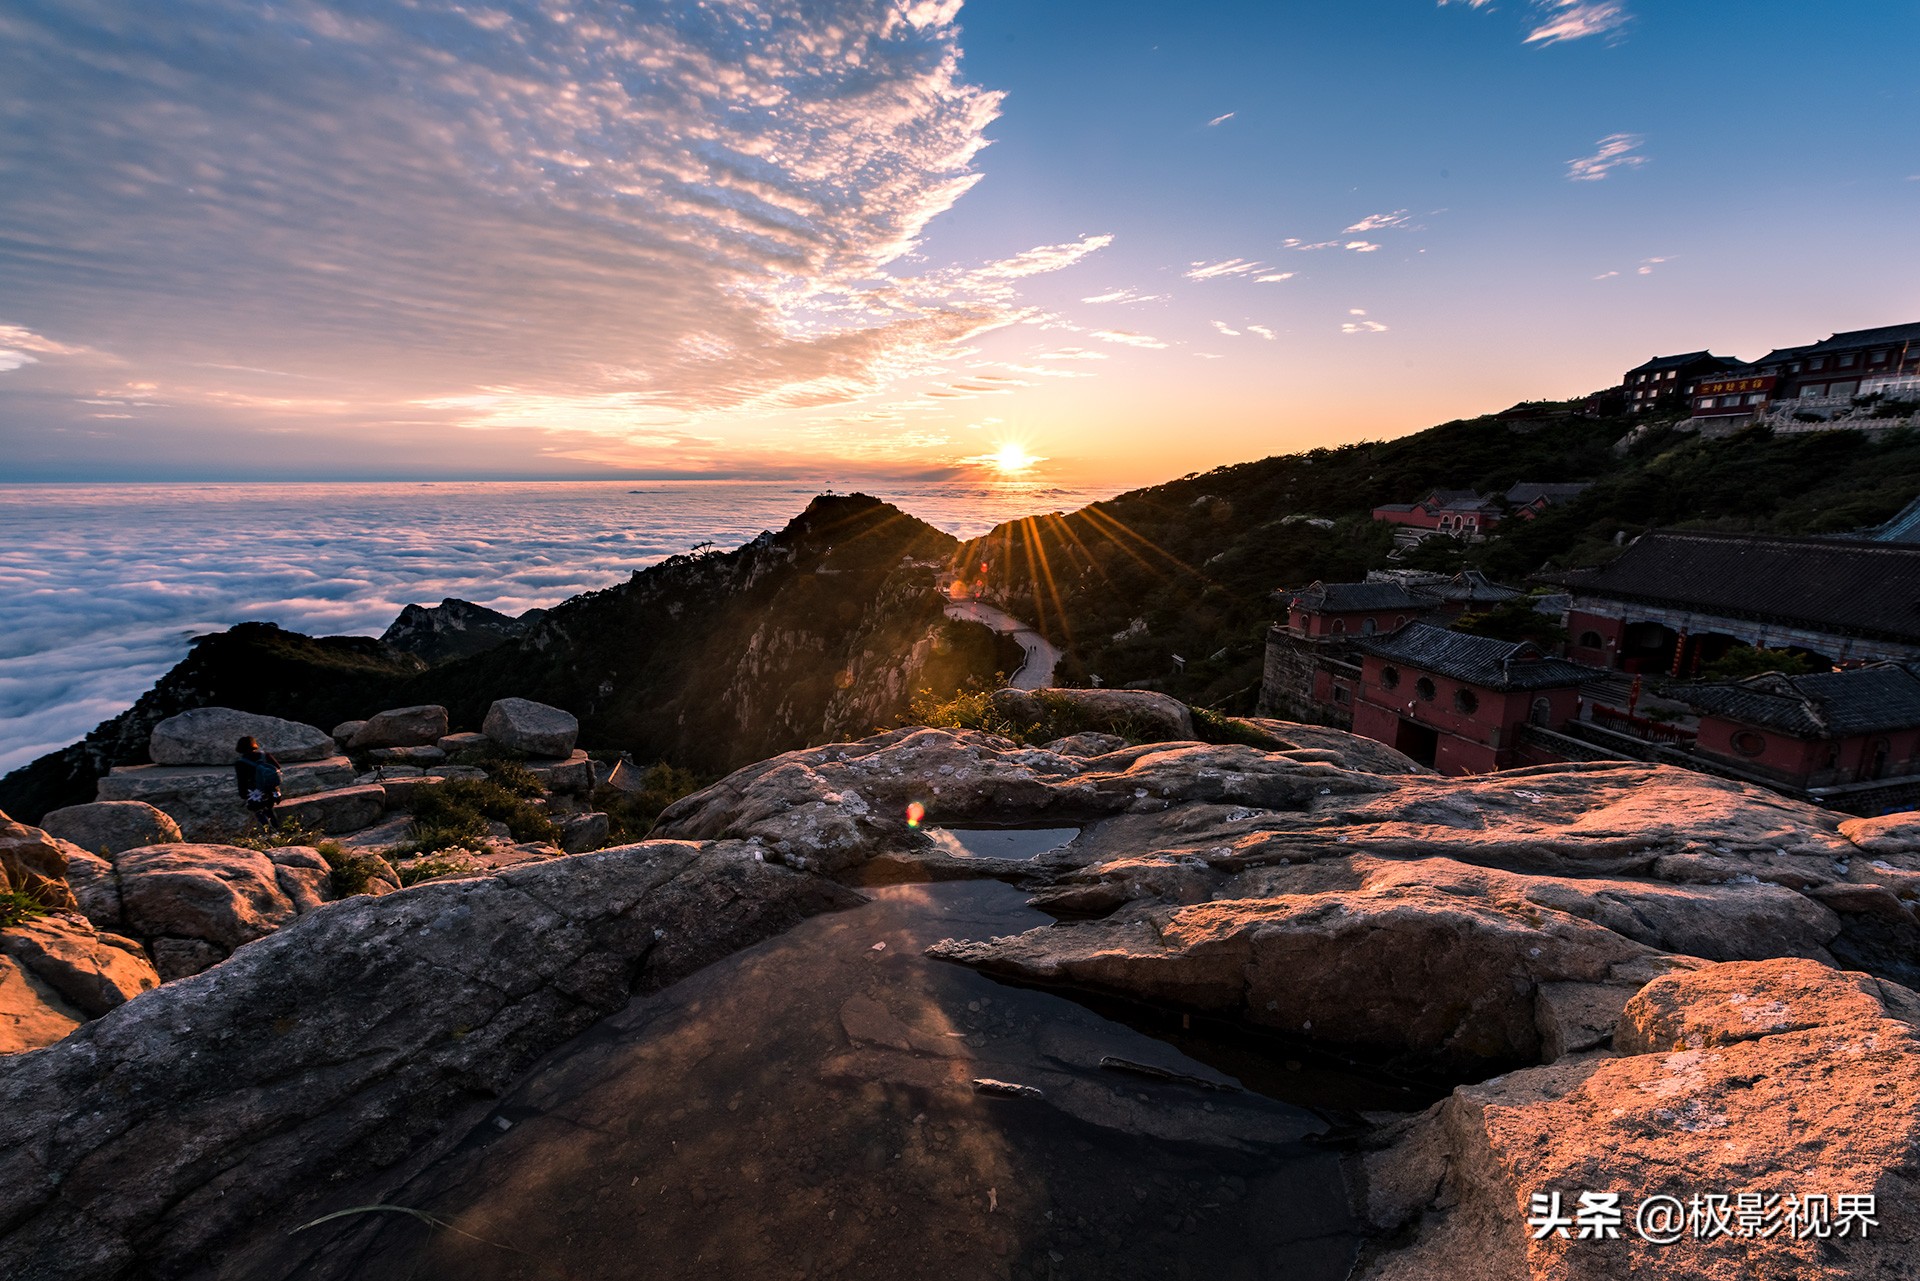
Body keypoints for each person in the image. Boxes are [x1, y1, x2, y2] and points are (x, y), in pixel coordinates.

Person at [234, 735, 282, 830]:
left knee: (259, 812)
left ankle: (268, 833)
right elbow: (278, 767)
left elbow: (242, 781)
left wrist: (243, 794)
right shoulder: (265, 755)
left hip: (256, 792)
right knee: (270, 810)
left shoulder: (240, 763)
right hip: (272, 790)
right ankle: (278, 831)